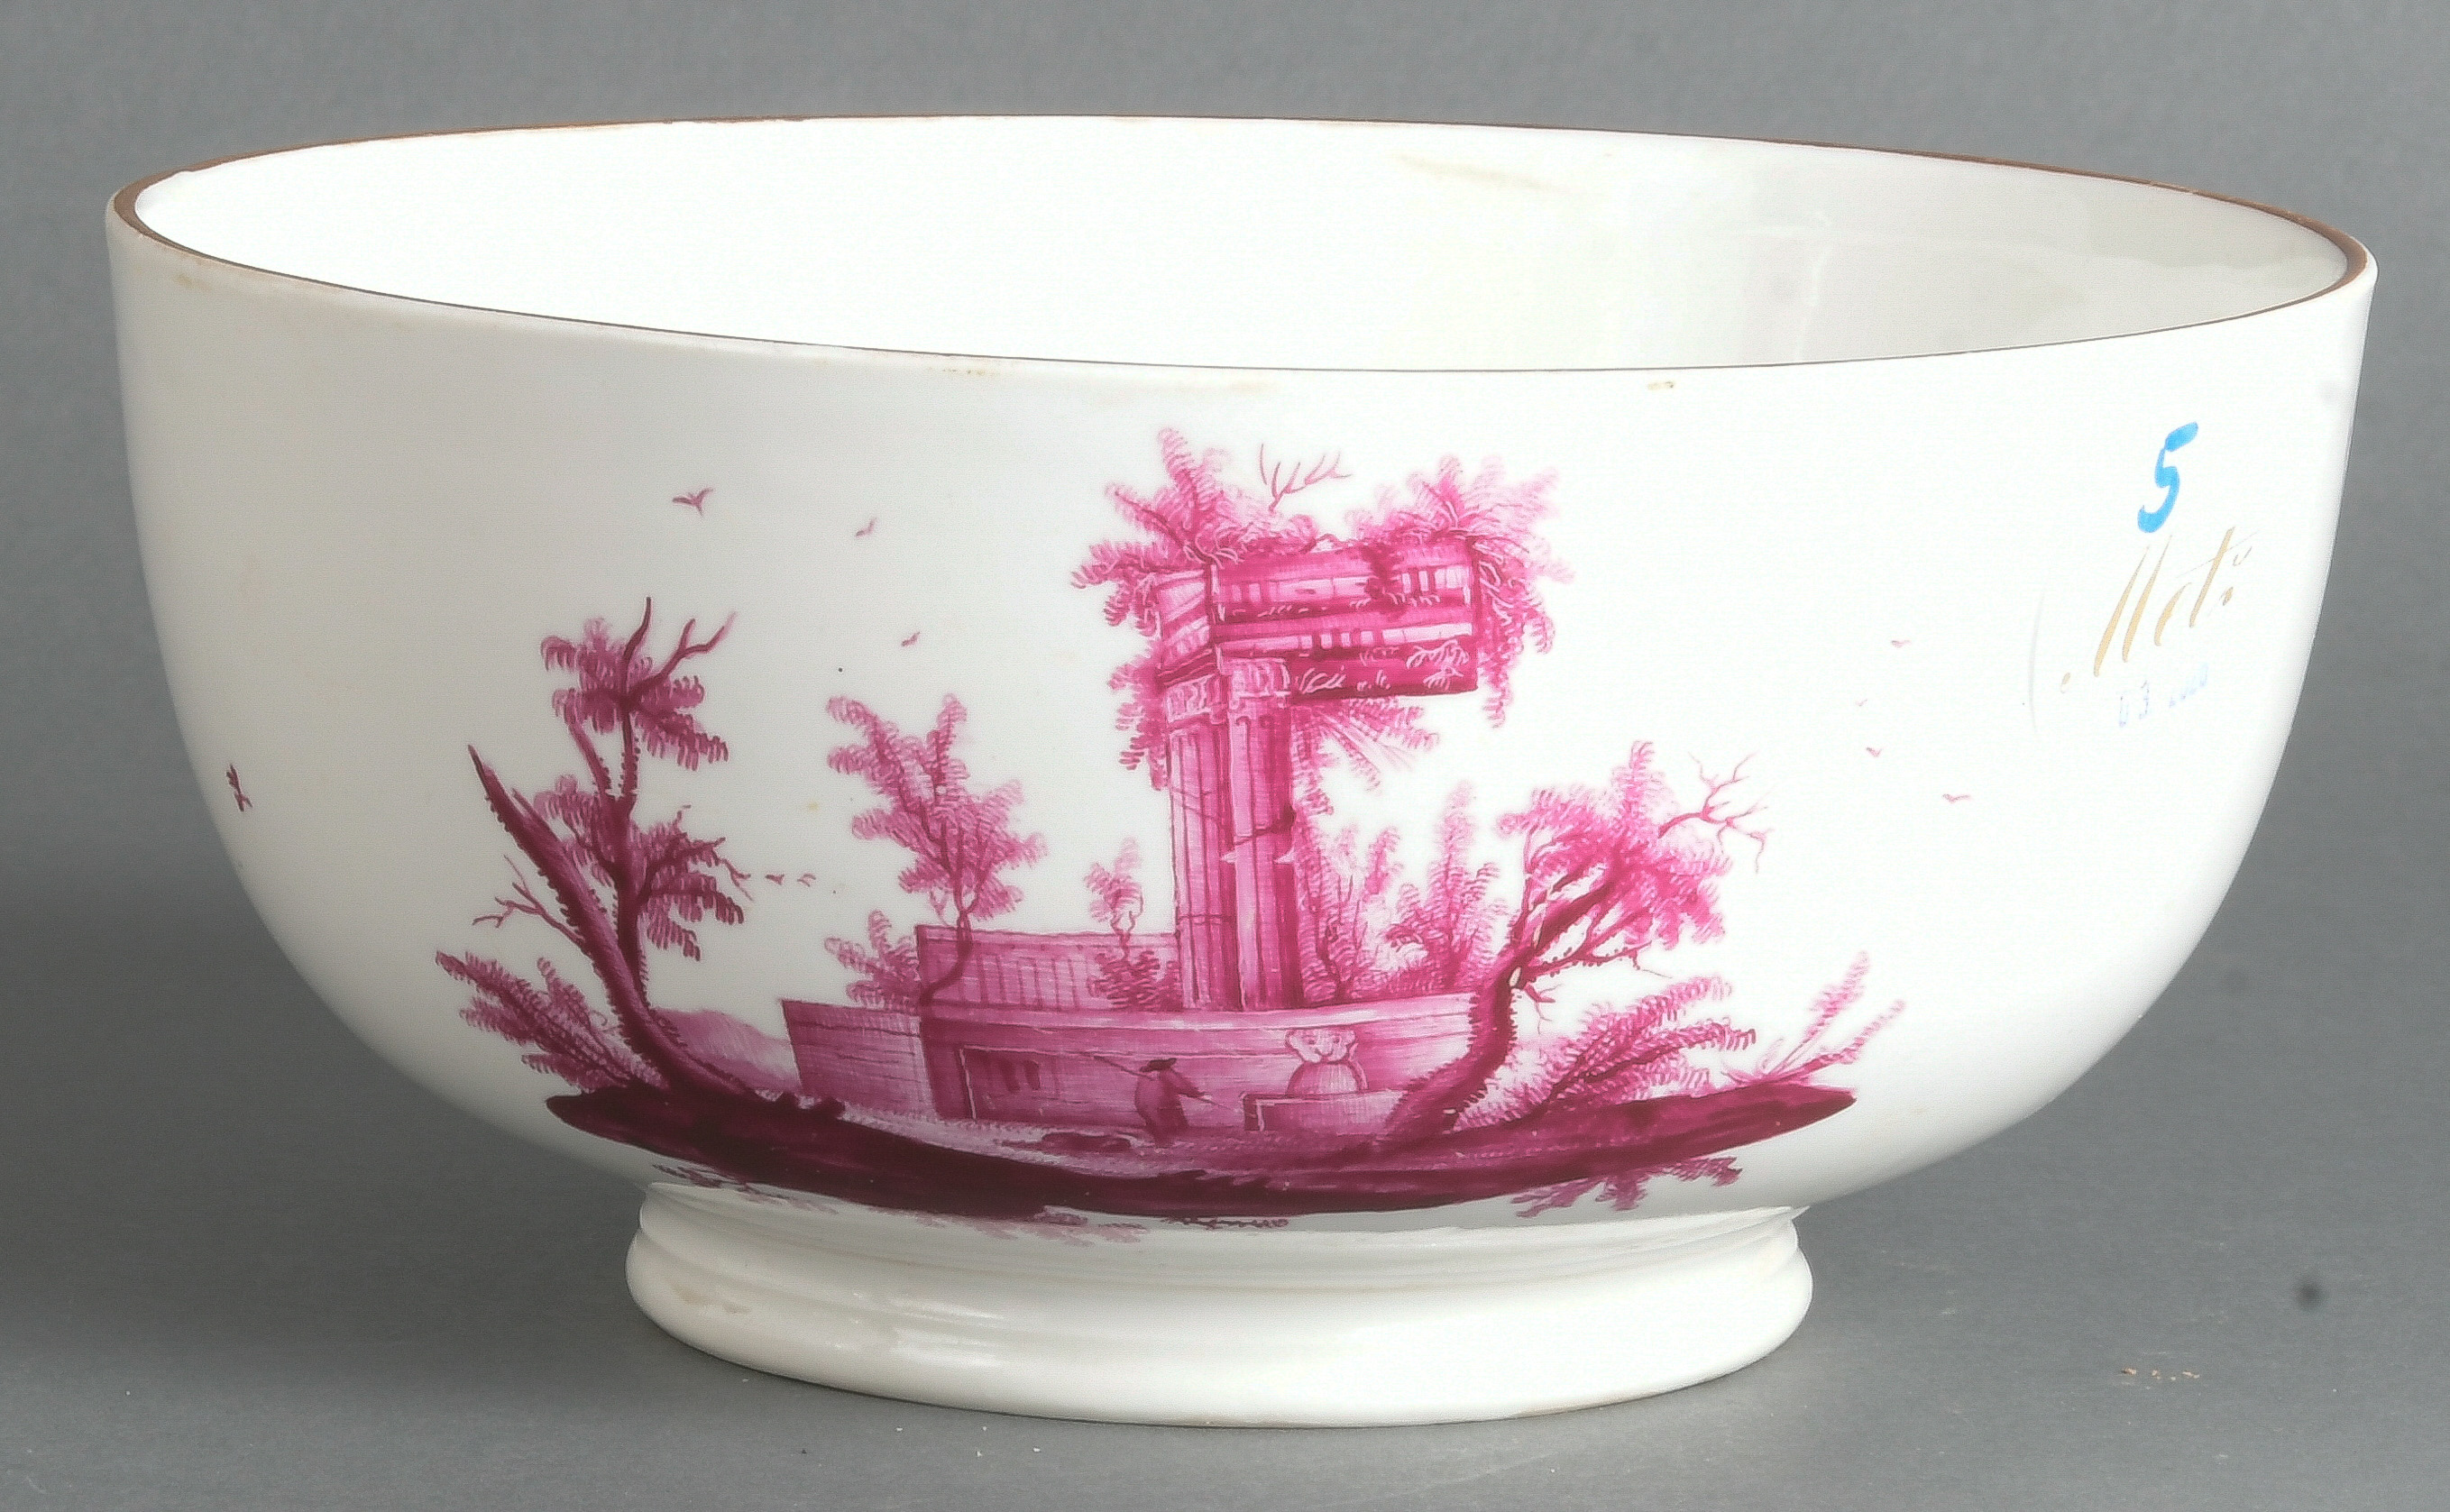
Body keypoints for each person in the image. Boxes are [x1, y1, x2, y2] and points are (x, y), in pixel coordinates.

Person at [1132, 1057, 1203, 1147]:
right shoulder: (1166, 1073)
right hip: (1161, 1107)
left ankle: (1158, 1138)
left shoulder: (1145, 1075)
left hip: (1142, 1108)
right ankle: (1172, 1140)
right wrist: (1195, 1094)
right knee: (1174, 1118)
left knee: (1154, 1123)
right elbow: (1182, 1085)